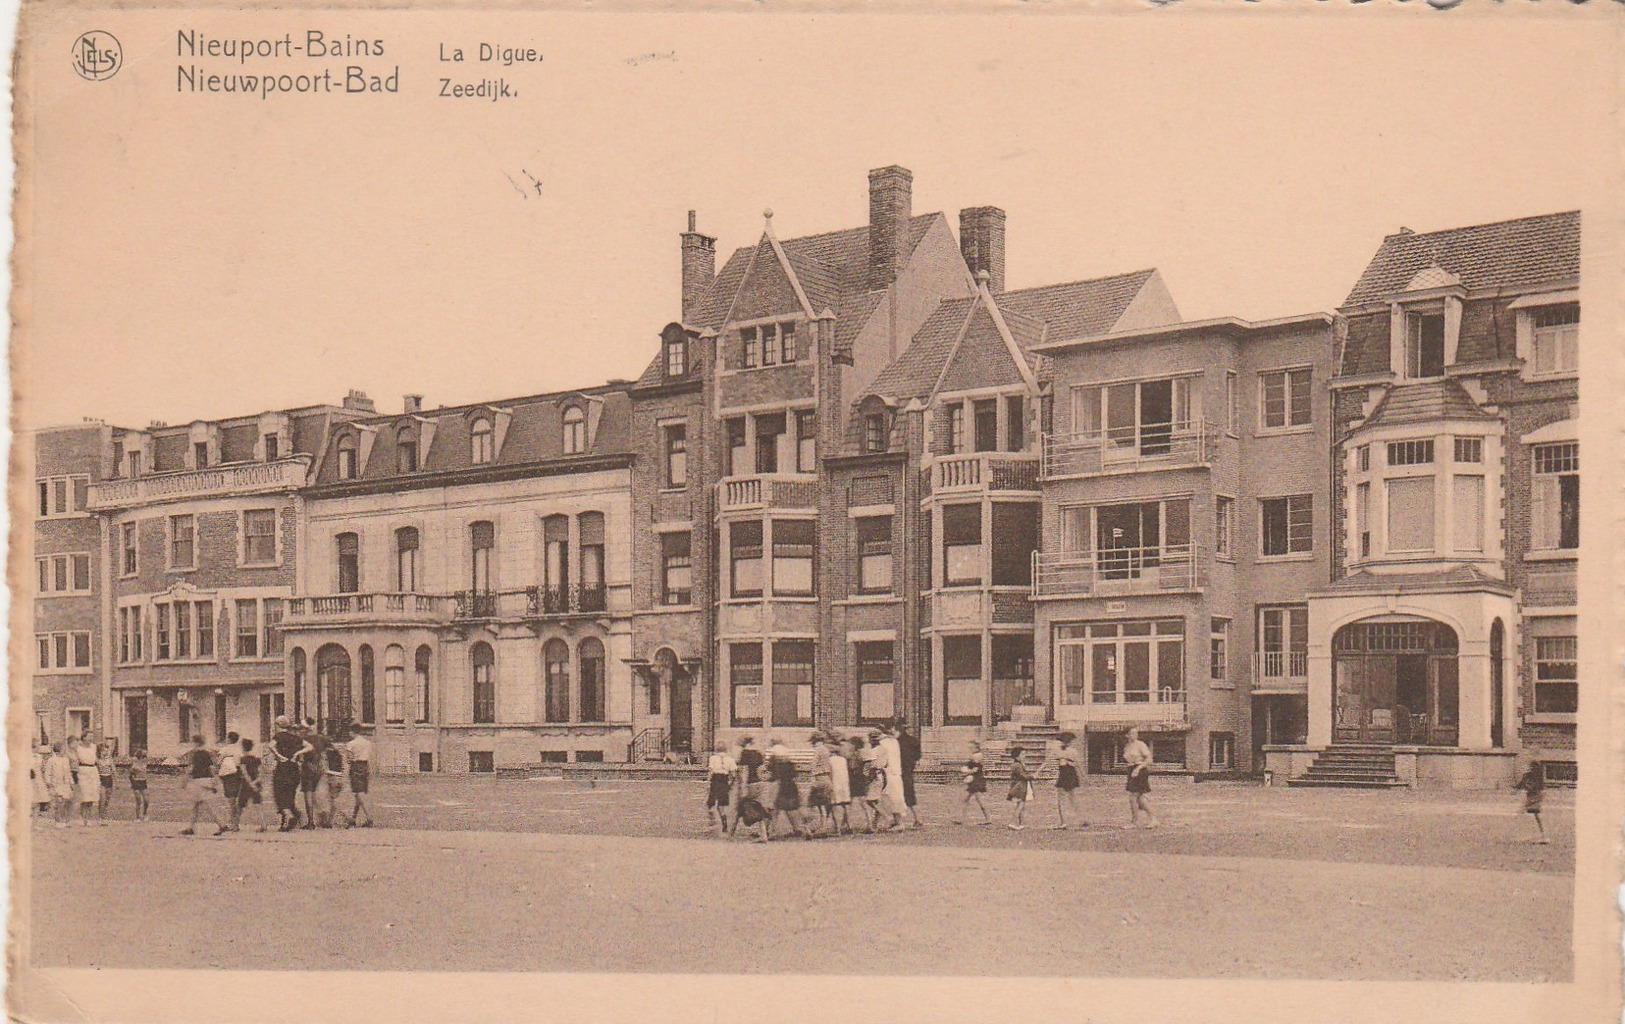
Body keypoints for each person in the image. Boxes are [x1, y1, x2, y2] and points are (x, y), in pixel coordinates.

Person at [179, 734, 228, 836]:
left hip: (198, 781)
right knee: (201, 805)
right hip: (207, 780)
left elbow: (191, 769)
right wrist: (214, 780)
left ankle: (222, 825)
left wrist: (184, 781)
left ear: (196, 743)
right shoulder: (207, 753)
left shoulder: (194, 754)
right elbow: (211, 768)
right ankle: (191, 827)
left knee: (197, 806)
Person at [269, 715, 311, 831]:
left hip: (282, 768)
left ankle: (289, 816)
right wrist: (297, 754)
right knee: (290, 795)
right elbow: (309, 747)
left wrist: (278, 755)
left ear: (278, 726)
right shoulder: (296, 738)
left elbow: (270, 746)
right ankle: (285, 825)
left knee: (279, 795)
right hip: (294, 768)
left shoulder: (279, 736)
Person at [765, 738, 810, 841]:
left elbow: (771, 775)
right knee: (794, 809)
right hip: (791, 787)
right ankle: (805, 830)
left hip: (780, 787)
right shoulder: (789, 762)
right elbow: (795, 774)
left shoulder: (774, 761)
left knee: (774, 811)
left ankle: (771, 832)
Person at [298, 718, 330, 828]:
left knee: (308, 794)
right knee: (319, 794)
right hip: (319, 767)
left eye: (303, 727)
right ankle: (324, 819)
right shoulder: (322, 739)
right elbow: (332, 750)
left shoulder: (303, 739)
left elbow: (298, 755)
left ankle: (311, 821)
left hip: (308, 767)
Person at [1122, 727, 1156, 829]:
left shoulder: (1140, 744)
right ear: (1127, 735)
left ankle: (1134, 821)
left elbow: (1149, 759)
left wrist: (1138, 768)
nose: (1135, 735)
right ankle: (1154, 819)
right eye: (1132, 733)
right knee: (1140, 800)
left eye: (1136, 733)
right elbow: (1128, 759)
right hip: (1131, 770)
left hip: (1140, 770)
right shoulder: (1127, 746)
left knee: (1133, 797)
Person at [731, 735, 764, 837]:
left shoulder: (745, 753)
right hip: (758, 783)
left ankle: (731, 832)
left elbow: (745, 771)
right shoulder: (758, 753)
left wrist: (743, 787)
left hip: (748, 784)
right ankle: (763, 834)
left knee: (739, 808)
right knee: (758, 808)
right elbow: (762, 769)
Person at [894, 719, 924, 829]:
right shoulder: (914, 741)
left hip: (899, 771)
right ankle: (918, 819)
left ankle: (899, 821)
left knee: (898, 796)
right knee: (910, 795)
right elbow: (918, 756)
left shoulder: (896, 742)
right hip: (909, 771)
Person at [234, 738, 269, 832]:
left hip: (246, 784)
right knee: (258, 804)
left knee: (240, 805)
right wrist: (256, 781)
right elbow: (262, 772)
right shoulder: (257, 759)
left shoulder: (243, 759)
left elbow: (244, 773)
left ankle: (235, 825)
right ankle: (263, 824)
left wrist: (250, 783)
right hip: (256, 783)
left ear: (243, 748)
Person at [955, 740, 992, 826]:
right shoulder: (975, 756)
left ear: (976, 747)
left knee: (979, 801)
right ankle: (961, 819)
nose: (970, 749)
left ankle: (988, 819)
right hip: (974, 781)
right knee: (965, 799)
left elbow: (974, 770)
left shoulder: (977, 756)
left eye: (971, 747)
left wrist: (966, 771)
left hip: (976, 781)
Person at [877, 727, 907, 831]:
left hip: (889, 773)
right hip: (895, 773)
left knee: (892, 798)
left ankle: (899, 823)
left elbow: (883, 760)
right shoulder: (894, 742)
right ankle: (895, 821)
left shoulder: (884, 743)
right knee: (893, 798)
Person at [1052, 732, 1084, 830]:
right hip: (1071, 774)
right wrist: (1083, 776)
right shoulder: (1073, 751)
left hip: (1064, 774)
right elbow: (1078, 765)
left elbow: (1049, 761)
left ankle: (1063, 822)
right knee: (1072, 799)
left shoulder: (1058, 751)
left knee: (1061, 799)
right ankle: (1080, 821)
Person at [345, 726, 375, 828]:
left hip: (356, 766)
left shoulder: (351, 744)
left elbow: (349, 759)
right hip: (365, 766)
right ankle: (353, 818)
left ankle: (369, 817)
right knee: (359, 794)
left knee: (359, 793)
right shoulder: (367, 742)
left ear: (353, 732)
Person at [704, 740, 736, 835]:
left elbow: (710, 771)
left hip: (715, 780)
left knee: (710, 802)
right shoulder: (730, 759)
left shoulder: (713, 758)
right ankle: (724, 824)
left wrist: (707, 782)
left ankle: (711, 819)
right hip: (724, 781)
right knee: (721, 805)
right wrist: (730, 784)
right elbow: (733, 775)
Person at [1514, 761, 1549, 845]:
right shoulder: (1533, 776)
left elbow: (1525, 785)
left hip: (1533, 797)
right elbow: (1521, 785)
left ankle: (1534, 835)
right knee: (1534, 816)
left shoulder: (1531, 776)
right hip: (1534, 797)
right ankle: (1539, 835)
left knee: (1525, 814)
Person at [807, 732, 835, 835]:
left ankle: (817, 827)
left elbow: (813, 765)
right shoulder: (826, 750)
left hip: (819, 778)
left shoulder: (817, 751)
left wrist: (812, 779)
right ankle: (823, 826)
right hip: (827, 777)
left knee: (817, 805)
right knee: (825, 804)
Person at [72, 730, 100, 825]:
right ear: (84, 737)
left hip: (93, 771)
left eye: (92, 736)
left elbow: (96, 758)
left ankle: (88, 817)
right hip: (83, 771)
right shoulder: (78, 748)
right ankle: (83, 816)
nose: (91, 738)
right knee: (85, 795)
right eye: (89, 736)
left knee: (92, 795)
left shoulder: (94, 747)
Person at [322, 728, 349, 825]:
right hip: (339, 777)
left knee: (331, 801)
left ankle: (344, 818)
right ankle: (329, 821)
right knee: (332, 800)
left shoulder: (328, 753)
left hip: (332, 777)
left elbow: (325, 767)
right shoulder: (338, 753)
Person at [847, 736, 874, 833]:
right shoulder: (856, 754)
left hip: (856, 780)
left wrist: (864, 776)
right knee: (858, 803)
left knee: (856, 803)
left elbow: (861, 765)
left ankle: (869, 824)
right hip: (856, 779)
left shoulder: (857, 754)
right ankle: (869, 823)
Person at [45, 742, 75, 828]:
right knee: (60, 802)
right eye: (63, 749)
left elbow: (68, 773)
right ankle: (58, 821)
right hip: (56, 784)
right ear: (58, 750)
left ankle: (67, 820)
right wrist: (48, 782)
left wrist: (71, 782)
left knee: (68, 802)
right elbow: (47, 773)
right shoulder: (51, 760)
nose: (64, 751)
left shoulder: (65, 760)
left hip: (65, 784)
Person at [217, 732, 244, 826]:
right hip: (238, 774)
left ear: (229, 739)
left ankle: (232, 822)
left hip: (228, 775)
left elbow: (218, 761)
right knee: (236, 798)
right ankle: (235, 822)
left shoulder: (225, 749)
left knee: (230, 800)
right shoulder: (239, 749)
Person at [827, 736, 852, 835]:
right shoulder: (843, 760)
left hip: (835, 784)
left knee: (834, 806)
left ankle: (837, 828)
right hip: (844, 784)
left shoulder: (830, 760)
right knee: (845, 804)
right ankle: (848, 825)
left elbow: (830, 773)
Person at [1006, 746, 1035, 830]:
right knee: (1020, 806)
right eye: (1022, 754)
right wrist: (1031, 776)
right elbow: (1023, 776)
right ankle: (1012, 823)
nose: (1024, 756)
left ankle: (1021, 823)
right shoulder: (1017, 765)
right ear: (1016, 756)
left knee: (1021, 805)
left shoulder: (1018, 764)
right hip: (1019, 787)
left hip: (1020, 787)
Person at [95, 741, 116, 821]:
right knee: (102, 798)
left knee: (107, 799)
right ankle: (101, 816)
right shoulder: (97, 760)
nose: (106, 752)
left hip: (109, 779)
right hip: (101, 779)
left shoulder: (110, 760)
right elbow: (95, 770)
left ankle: (105, 813)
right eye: (104, 750)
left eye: (107, 750)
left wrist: (116, 782)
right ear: (100, 751)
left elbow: (114, 771)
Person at [128, 748, 150, 822]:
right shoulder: (134, 761)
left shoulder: (145, 761)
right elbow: (130, 774)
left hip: (143, 781)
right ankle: (137, 817)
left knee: (146, 800)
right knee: (138, 800)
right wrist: (133, 782)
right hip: (136, 782)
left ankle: (145, 813)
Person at [31, 744, 50, 818]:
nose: (38, 749)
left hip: (39, 776)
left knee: (42, 793)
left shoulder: (40, 757)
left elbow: (43, 767)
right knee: (33, 792)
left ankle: (42, 810)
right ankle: (32, 810)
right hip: (31, 776)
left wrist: (44, 769)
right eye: (36, 747)